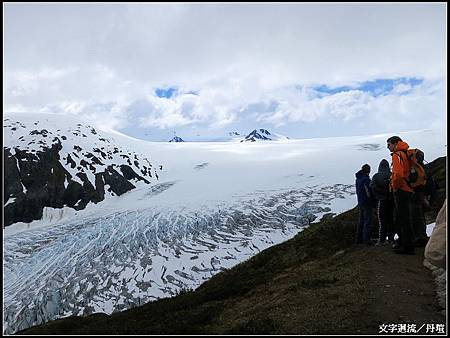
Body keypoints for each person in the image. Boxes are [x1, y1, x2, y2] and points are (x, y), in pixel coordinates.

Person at [387, 136, 415, 255]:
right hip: (407, 189)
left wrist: (395, 187)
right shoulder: (404, 153)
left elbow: (397, 175)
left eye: (389, 144)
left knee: (403, 218)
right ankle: (405, 242)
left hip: (401, 190)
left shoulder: (397, 155)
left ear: (395, 143)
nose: (388, 147)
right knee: (404, 217)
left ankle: (407, 246)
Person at [370, 159, 395, 245]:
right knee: (391, 219)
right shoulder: (392, 175)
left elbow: (372, 187)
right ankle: (391, 238)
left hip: (382, 200)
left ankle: (381, 240)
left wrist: (379, 194)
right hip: (391, 201)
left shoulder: (376, 176)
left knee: (382, 220)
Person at [355, 164, 374, 246]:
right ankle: (367, 240)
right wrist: (373, 202)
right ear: (368, 171)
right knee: (367, 222)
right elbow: (369, 193)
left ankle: (359, 240)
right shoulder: (366, 180)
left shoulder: (358, 179)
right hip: (367, 203)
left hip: (361, 202)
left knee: (361, 221)